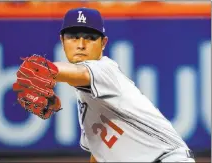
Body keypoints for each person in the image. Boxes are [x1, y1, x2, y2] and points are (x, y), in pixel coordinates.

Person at [14, 7, 195, 162]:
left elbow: (77, 72)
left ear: (103, 43)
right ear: (62, 41)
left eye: (90, 38)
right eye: (73, 37)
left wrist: (46, 68)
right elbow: (99, 154)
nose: (81, 45)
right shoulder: (86, 101)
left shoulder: (104, 70)